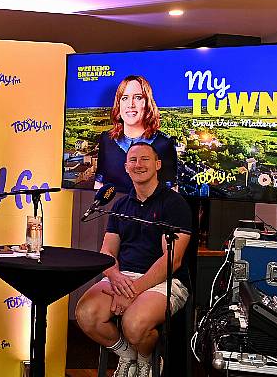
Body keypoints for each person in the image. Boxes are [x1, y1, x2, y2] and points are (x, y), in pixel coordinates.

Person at [76, 142, 192, 377]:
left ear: (158, 165)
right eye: (133, 160)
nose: (138, 165)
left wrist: (133, 290)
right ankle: (128, 355)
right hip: (124, 279)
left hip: (165, 281)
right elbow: (107, 252)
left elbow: (173, 260)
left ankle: (146, 361)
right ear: (126, 167)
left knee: (134, 323)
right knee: (86, 314)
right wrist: (116, 276)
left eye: (145, 159)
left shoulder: (174, 204)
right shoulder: (119, 205)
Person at [95, 75, 178, 194]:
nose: (130, 104)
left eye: (138, 97)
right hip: (114, 210)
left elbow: (172, 192)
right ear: (118, 104)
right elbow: (99, 183)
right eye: (124, 98)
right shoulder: (106, 140)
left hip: (151, 211)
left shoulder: (164, 144)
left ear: (147, 103)